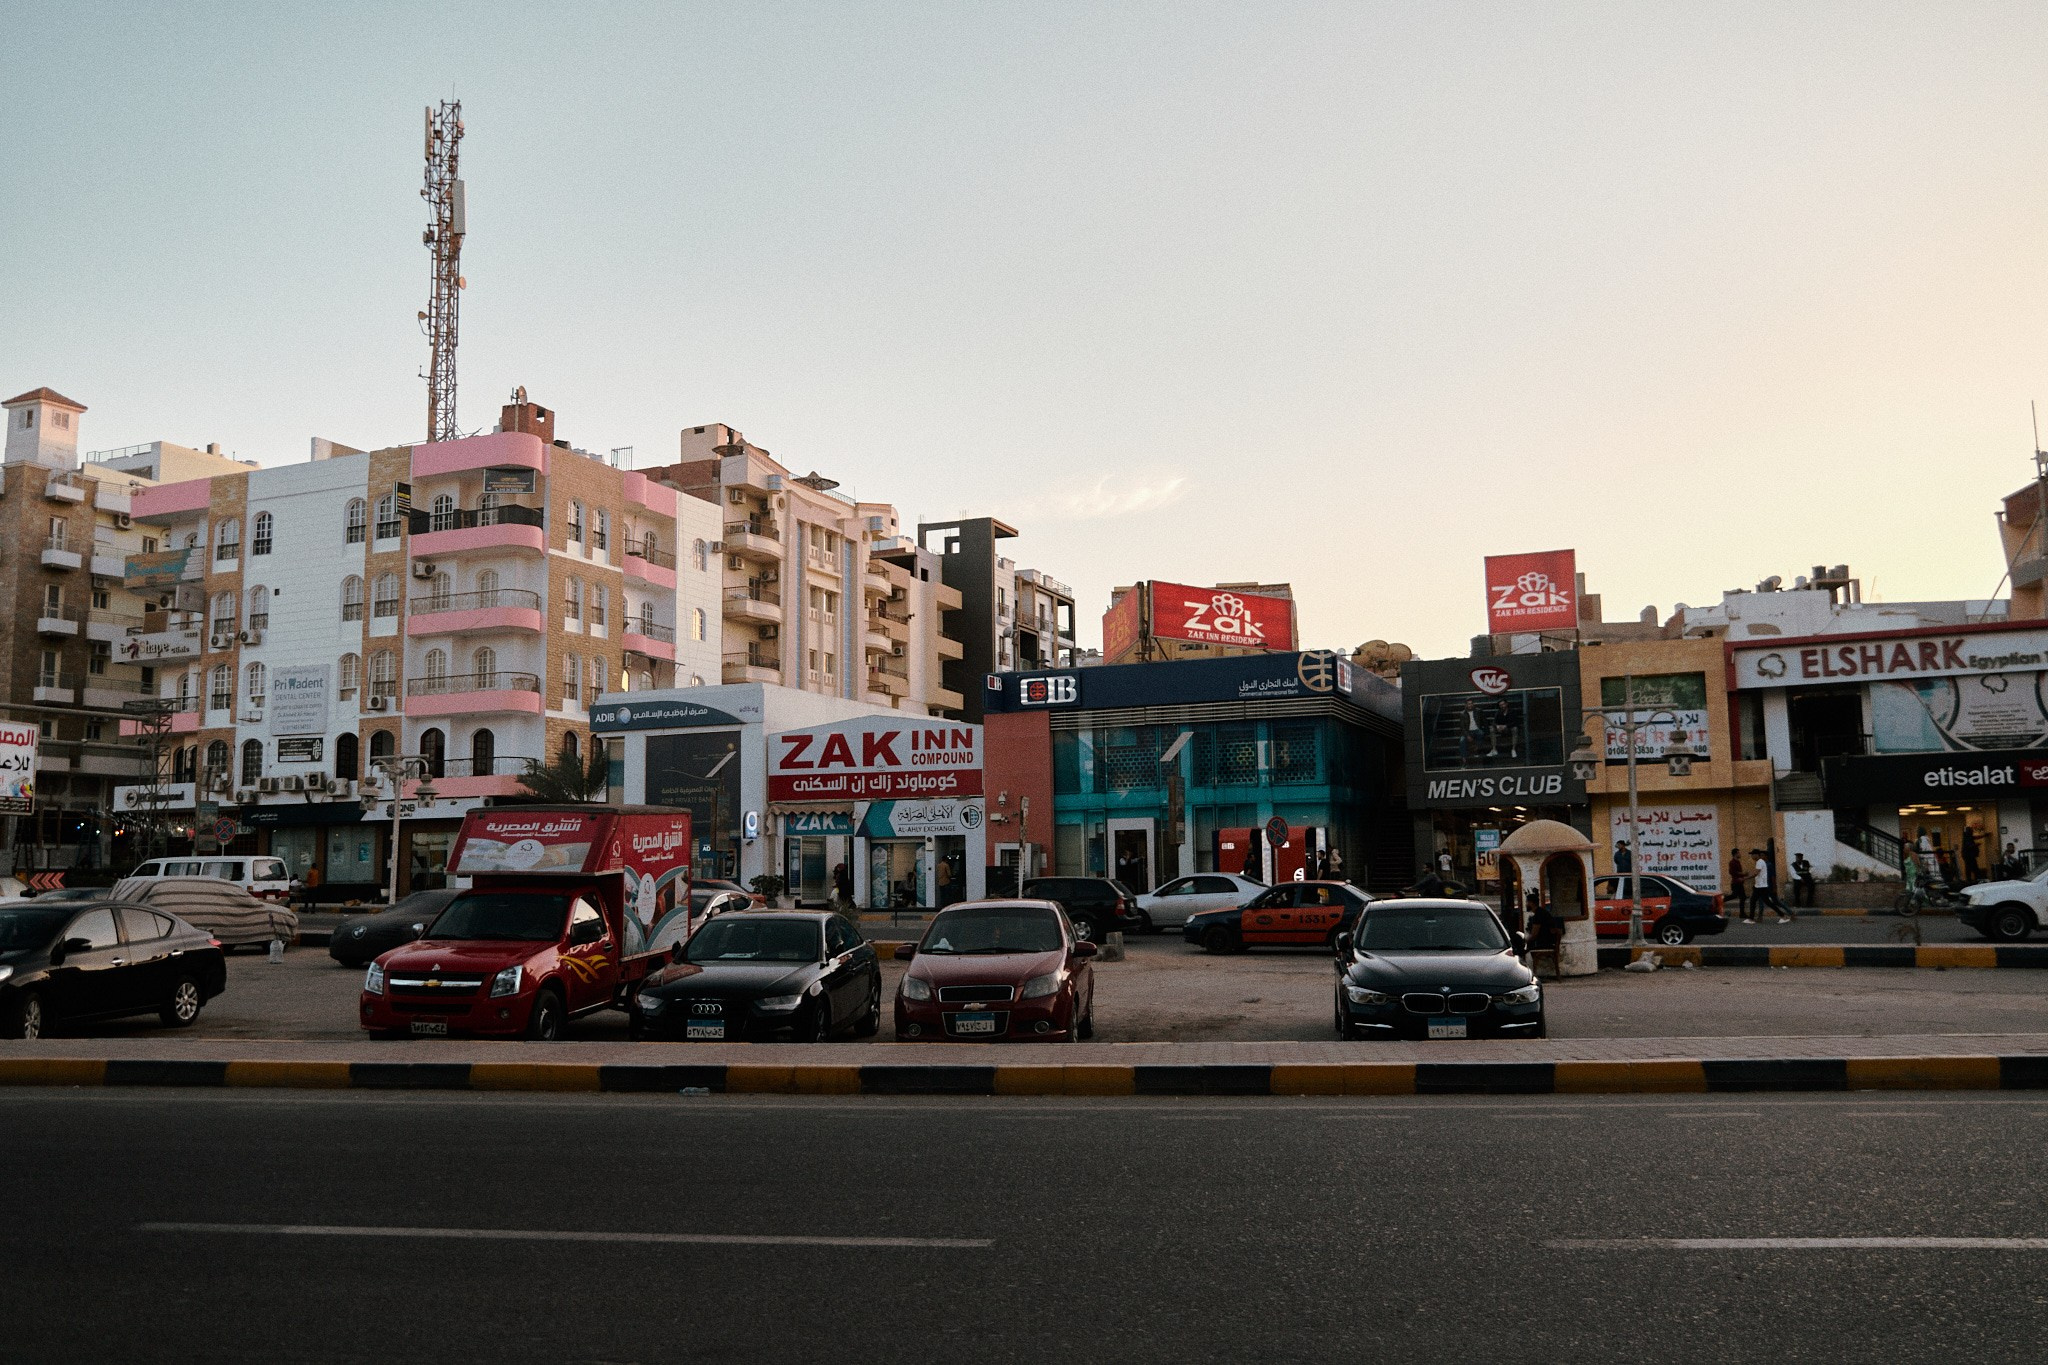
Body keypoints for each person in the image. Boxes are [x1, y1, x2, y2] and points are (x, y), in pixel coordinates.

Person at [1752, 848, 1790, 923]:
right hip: (1762, 886)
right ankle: (1760, 917)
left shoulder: (1768, 865)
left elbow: (1773, 876)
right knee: (1763, 902)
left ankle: (1788, 913)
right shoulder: (1762, 864)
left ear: (1766, 856)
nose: (1761, 857)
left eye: (1762, 855)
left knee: (1774, 902)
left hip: (1767, 886)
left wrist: (1774, 887)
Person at [1726, 852, 1750, 922]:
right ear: (1735, 854)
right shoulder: (1732, 862)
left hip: (1740, 883)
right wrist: (1743, 874)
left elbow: (1738, 872)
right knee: (1734, 895)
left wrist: (1743, 875)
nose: (1740, 854)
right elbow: (1732, 872)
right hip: (1735, 883)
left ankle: (1742, 913)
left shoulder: (1738, 862)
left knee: (1743, 897)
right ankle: (1720, 901)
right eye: (1738, 853)